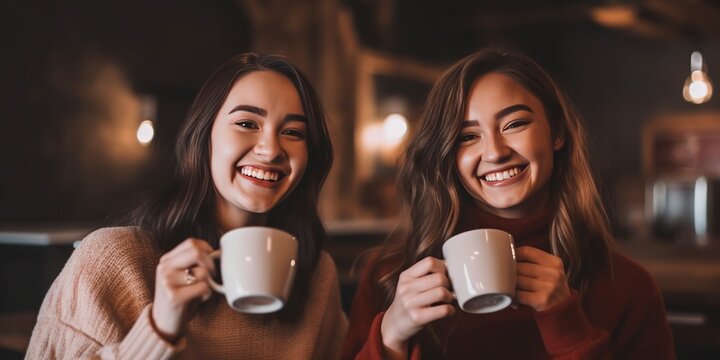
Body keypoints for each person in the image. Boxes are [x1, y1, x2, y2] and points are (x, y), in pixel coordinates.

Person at [341, 48, 675, 359]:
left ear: (557, 132)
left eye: (515, 124)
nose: (496, 152)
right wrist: (391, 336)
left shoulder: (629, 288)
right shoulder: (389, 278)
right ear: (447, 156)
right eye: (467, 136)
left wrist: (568, 327)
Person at [27, 53, 347, 359]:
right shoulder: (116, 260)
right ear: (204, 135)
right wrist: (160, 329)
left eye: (293, 132)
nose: (270, 150)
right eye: (247, 124)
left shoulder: (317, 275)